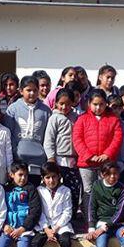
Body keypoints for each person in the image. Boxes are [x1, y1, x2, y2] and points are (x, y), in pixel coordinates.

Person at [73, 89, 123, 220]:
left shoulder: (113, 119)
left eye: (101, 104)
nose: (98, 107)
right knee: (88, 191)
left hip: (105, 163)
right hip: (87, 163)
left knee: (104, 190)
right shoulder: (82, 119)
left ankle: (103, 218)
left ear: (106, 104)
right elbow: (77, 139)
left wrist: (107, 154)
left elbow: (117, 139)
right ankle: (88, 220)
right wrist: (89, 155)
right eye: (95, 104)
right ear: (89, 103)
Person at [31, 163, 75, 247]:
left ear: (59, 177)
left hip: (60, 225)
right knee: (35, 243)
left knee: (66, 241)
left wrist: (55, 228)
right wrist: (46, 229)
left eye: (54, 177)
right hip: (44, 226)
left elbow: (67, 212)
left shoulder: (65, 190)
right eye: (48, 177)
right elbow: (39, 212)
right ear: (43, 178)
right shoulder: (39, 190)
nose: (51, 180)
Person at [85, 161, 124, 247]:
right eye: (108, 174)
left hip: (118, 225)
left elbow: (119, 212)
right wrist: (91, 228)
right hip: (101, 224)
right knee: (101, 246)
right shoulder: (97, 186)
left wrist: (104, 227)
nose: (113, 177)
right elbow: (91, 207)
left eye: (115, 174)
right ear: (102, 174)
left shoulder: (121, 188)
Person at [6, 75, 52, 186]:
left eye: (35, 90)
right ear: (21, 91)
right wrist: (14, 152)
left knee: (34, 191)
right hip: (19, 159)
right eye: (28, 90)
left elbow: (48, 135)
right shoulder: (13, 109)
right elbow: (8, 133)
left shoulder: (45, 110)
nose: (32, 93)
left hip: (38, 160)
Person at [45, 88, 81, 216]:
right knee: (59, 190)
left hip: (74, 160)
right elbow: (49, 140)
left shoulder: (76, 117)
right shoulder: (54, 118)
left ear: (73, 103)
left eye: (67, 104)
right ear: (56, 103)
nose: (64, 107)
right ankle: (57, 216)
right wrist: (51, 158)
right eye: (61, 104)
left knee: (74, 189)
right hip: (59, 160)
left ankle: (71, 216)